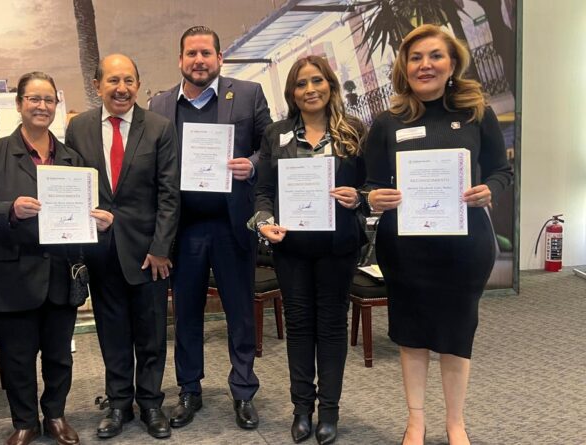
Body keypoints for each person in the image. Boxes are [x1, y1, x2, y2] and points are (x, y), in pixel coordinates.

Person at [364, 24, 512, 445]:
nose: (425, 64)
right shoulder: (387, 122)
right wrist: (375, 197)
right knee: (411, 335)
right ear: (404, 68)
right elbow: (368, 183)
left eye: (434, 56)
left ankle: (455, 422)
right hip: (405, 249)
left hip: (464, 248)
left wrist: (491, 190)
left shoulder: (476, 114)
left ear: (452, 64)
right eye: (415, 58)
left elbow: (502, 170)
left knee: (455, 334)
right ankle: (416, 421)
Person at [0, 72, 113, 445]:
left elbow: (90, 210)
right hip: (11, 274)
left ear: (56, 106)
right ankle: (24, 421)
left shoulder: (73, 160)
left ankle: (54, 415)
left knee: (59, 356)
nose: (41, 106)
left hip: (59, 273)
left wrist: (101, 223)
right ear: (19, 104)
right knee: (16, 358)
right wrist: (10, 210)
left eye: (48, 100)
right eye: (33, 99)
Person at [149, 25, 272, 430]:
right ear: (180, 59)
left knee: (240, 313)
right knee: (185, 315)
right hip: (183, 230)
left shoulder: (248, 94)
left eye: (206, 53)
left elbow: (268, 149)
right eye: (191, 54)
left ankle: (243, 391)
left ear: (220, 59)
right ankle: (189, 391)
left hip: (231, 224)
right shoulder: (161, 104)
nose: (198, 60)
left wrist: (252, 164)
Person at [250, 56, 367, 445]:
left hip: (338, 247)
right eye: (301, 84)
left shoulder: (354, 131)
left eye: (317, 81)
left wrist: (359, 198)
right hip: (292, 248)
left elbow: (373, 187)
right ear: (292, 92)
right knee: (299, 328)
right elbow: (263, 191)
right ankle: (302, 409)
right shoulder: (277, 135)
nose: (310, 89)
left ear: (331, 85)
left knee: (332, 327)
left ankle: (329, 411)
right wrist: (264, 220)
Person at [64, 54, 180, 440]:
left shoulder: (160, 127)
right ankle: (118, 404)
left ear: (138, 84)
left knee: (151, 334)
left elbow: (168, 194)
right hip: (100, 251)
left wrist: (161, 247)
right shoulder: (77, 128)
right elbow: (71, 186)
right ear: (98, 86)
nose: (122, 88)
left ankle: (150, 403)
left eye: (129, 80)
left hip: (149, 253)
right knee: (111, 333)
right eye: (113, 80)